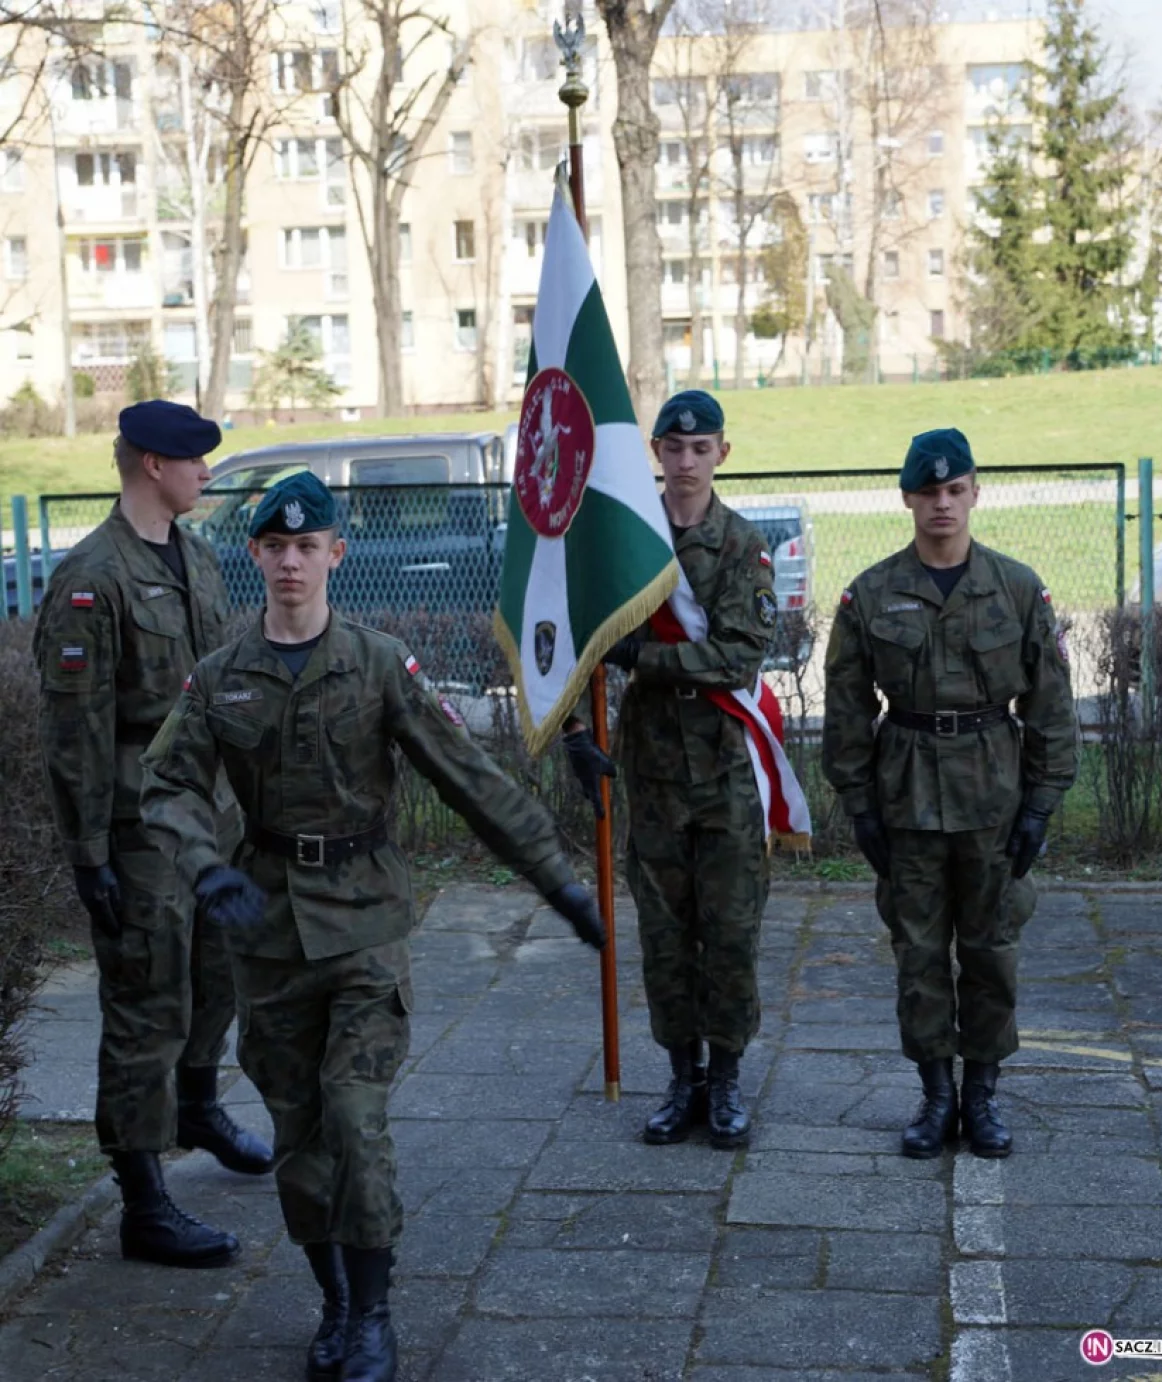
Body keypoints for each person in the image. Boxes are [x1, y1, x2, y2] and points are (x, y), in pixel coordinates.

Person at [140, 472, 605, 1382]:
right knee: (300, 1141)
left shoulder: (380, 663)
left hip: (362, 927)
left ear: (334, 556)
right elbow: (164, 785)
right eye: (274, 547)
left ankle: (377, 1316)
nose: (289, 562)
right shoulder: (222, 677)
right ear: (257, 555)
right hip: (267, 936)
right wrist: (206, 867)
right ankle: (336, 1303)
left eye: (306, 548)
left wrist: (559, 884)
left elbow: (468, 778)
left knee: (356, 1120)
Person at [33, 400, 271, 1271]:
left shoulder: (196, 557)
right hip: (140, 827)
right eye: (193, 461)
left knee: (218, 976)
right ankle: (143, 1202)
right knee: (145, 1007)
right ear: (149, 466)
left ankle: (198, 1108)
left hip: (209, 815)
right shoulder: (93, 577)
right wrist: (88, 852)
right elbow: (77, 729)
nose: (207, 473)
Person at [821, 428, 1078, 1160]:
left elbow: (1051, 707)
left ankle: (983, 1098)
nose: (942, 504)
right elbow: (846, 712)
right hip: (906, 799)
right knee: (919, 954)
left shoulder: (1018, 588)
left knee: (993, 951)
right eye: (928, 492)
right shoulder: (869, 594)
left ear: (974, 492)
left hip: (995, 799)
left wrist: (1039, 806)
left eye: (954, 490)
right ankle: (935, 1099)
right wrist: (860, 804)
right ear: (907, 499)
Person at [564, 389, 780, 1150]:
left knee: (728, 932)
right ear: (654, 452)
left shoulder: (743, 545)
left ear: (723, 453)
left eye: (701, 448)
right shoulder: (630, 543)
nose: (685, 461)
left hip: (723, 770)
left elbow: (736, 656)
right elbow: (578, 641)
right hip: (651, 766)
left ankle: (724, 1082)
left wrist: (642, 658)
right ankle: (680, 1077)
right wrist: (573, 729)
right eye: (672, 447)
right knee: (663, 933)